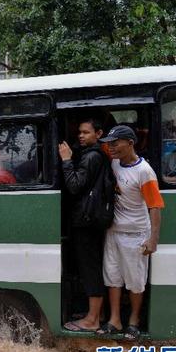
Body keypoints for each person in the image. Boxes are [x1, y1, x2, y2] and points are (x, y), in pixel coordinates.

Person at [97, 125, 164, 340]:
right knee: (113, 277)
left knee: (135, 281)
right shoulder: (115, 159)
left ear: (130, 144)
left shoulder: (144, 171)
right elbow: (99, 143)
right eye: (110, 143)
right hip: (114, 232)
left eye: (115, 143)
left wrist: (153, 239)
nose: (111, 147)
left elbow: (155, 207)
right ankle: (114, 320)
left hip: (135, 234)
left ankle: (133, 321)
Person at [58, 118, 107, 332]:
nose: (80, 136)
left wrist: (67, 160)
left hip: (86, 221)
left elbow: (75, 185)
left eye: (86, 132)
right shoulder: (92, 154)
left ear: (98, 133)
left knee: (90, 267)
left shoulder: (92, 157)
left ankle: (93, 320)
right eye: (79, 132)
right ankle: (95, 312)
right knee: (89, 265)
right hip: (89, 219)